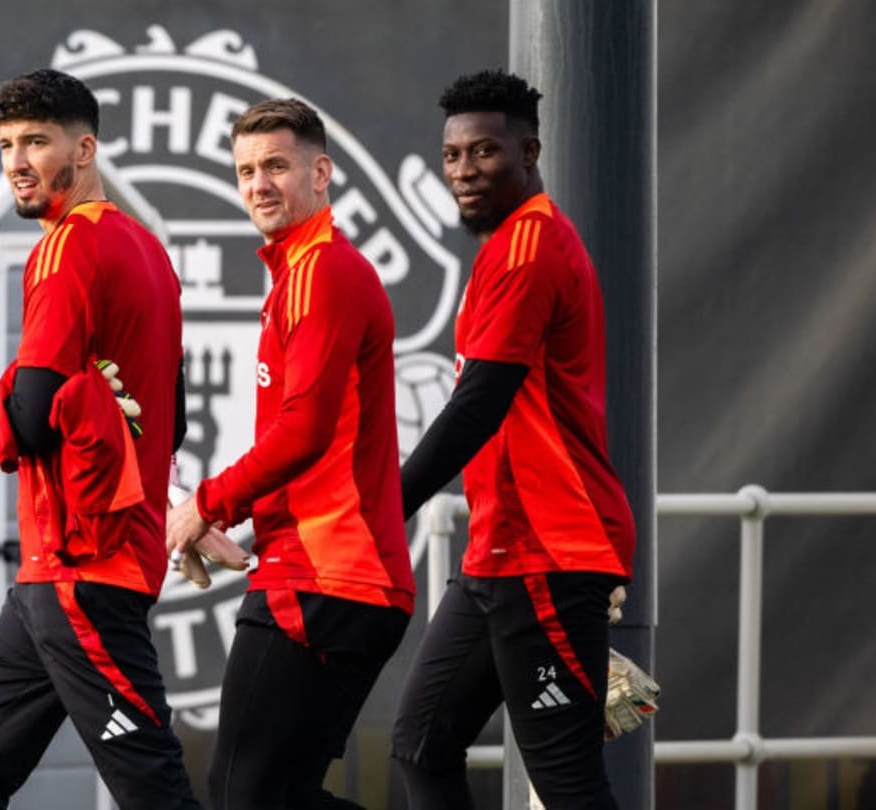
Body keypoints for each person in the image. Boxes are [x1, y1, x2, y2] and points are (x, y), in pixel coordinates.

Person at [0, 68, 200, 810]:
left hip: (83, 573)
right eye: (6, 145)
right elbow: (171, 420)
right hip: (53, 577)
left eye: (36, 141)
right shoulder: (150, 252)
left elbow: (29, 418)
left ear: (85, 147)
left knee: (153, 790)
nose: (16, 162)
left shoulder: (66, 249)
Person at [390, 70, 636, 810]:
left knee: (567, 782)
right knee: (421, 746)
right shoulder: (504, 248)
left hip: (554, 552)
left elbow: (477, 407)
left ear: (530, 151)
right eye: (452, 156)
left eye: (485, 152)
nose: (465, 171)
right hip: (498, 554)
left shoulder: (530, 246)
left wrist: (383, 504)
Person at [165, 98, 415, 810]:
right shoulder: (299, 274)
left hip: (326, 580)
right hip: (328, 575)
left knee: (245, 794)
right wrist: (230, 523)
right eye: (245, 170)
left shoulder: (320, 270)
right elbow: (313, 441)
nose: (259, 184)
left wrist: (205, 504)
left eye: (276, 165)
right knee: (270, 794)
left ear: (322, 171)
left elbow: (304, 432)